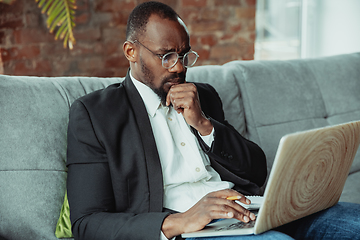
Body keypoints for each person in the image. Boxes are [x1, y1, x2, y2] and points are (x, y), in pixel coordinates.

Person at [66, 1, 360, 240]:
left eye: (184, 55)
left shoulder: (203, 96)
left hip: (246, 210)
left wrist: (205, 125)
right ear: (131, 52)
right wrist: (179, 221)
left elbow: (256, 172)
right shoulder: (96, 114)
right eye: (166, 56)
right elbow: (86, 222)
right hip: (192, 230)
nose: (179, 67)